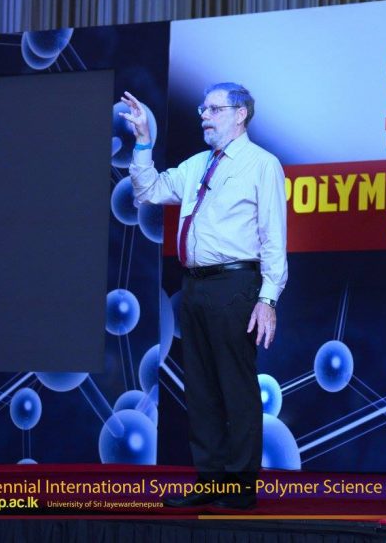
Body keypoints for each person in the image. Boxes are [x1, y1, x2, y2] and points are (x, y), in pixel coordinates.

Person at [123, 83, 287, 511]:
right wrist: (143, 141)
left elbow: (274, 238)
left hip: (235, 286)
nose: (203, 115)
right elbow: (149, 190)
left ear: (241, 114)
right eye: (202, 108)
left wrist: (268, 299)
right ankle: (210, 480)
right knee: (200, 388)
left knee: (235, 387)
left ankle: (239, 486)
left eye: (214, 109)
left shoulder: (262, 164)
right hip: (193, 286)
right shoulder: (198, 164)